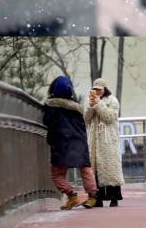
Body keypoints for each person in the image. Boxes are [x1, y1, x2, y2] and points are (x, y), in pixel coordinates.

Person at [43, 76, 98, 210]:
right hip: (79, 141)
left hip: (61, 143)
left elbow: (47, 122)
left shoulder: (51, 106)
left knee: (57, 174)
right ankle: (92, 197)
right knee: (85, 169)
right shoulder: (77, 108)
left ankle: (71, 195)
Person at [84, 78, 125, 207]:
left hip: (108, 139)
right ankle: (98, 198)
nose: (97, 92)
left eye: (99, 89)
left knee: (110, 168)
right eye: (95, 89)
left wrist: (99, 104)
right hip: (94, 141)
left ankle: (114, 198)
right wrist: (91, 105)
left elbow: (109, 118)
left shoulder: (113, 100)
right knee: (95, 169)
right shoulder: (88, 101)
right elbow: (85, 118)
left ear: (104, 89)